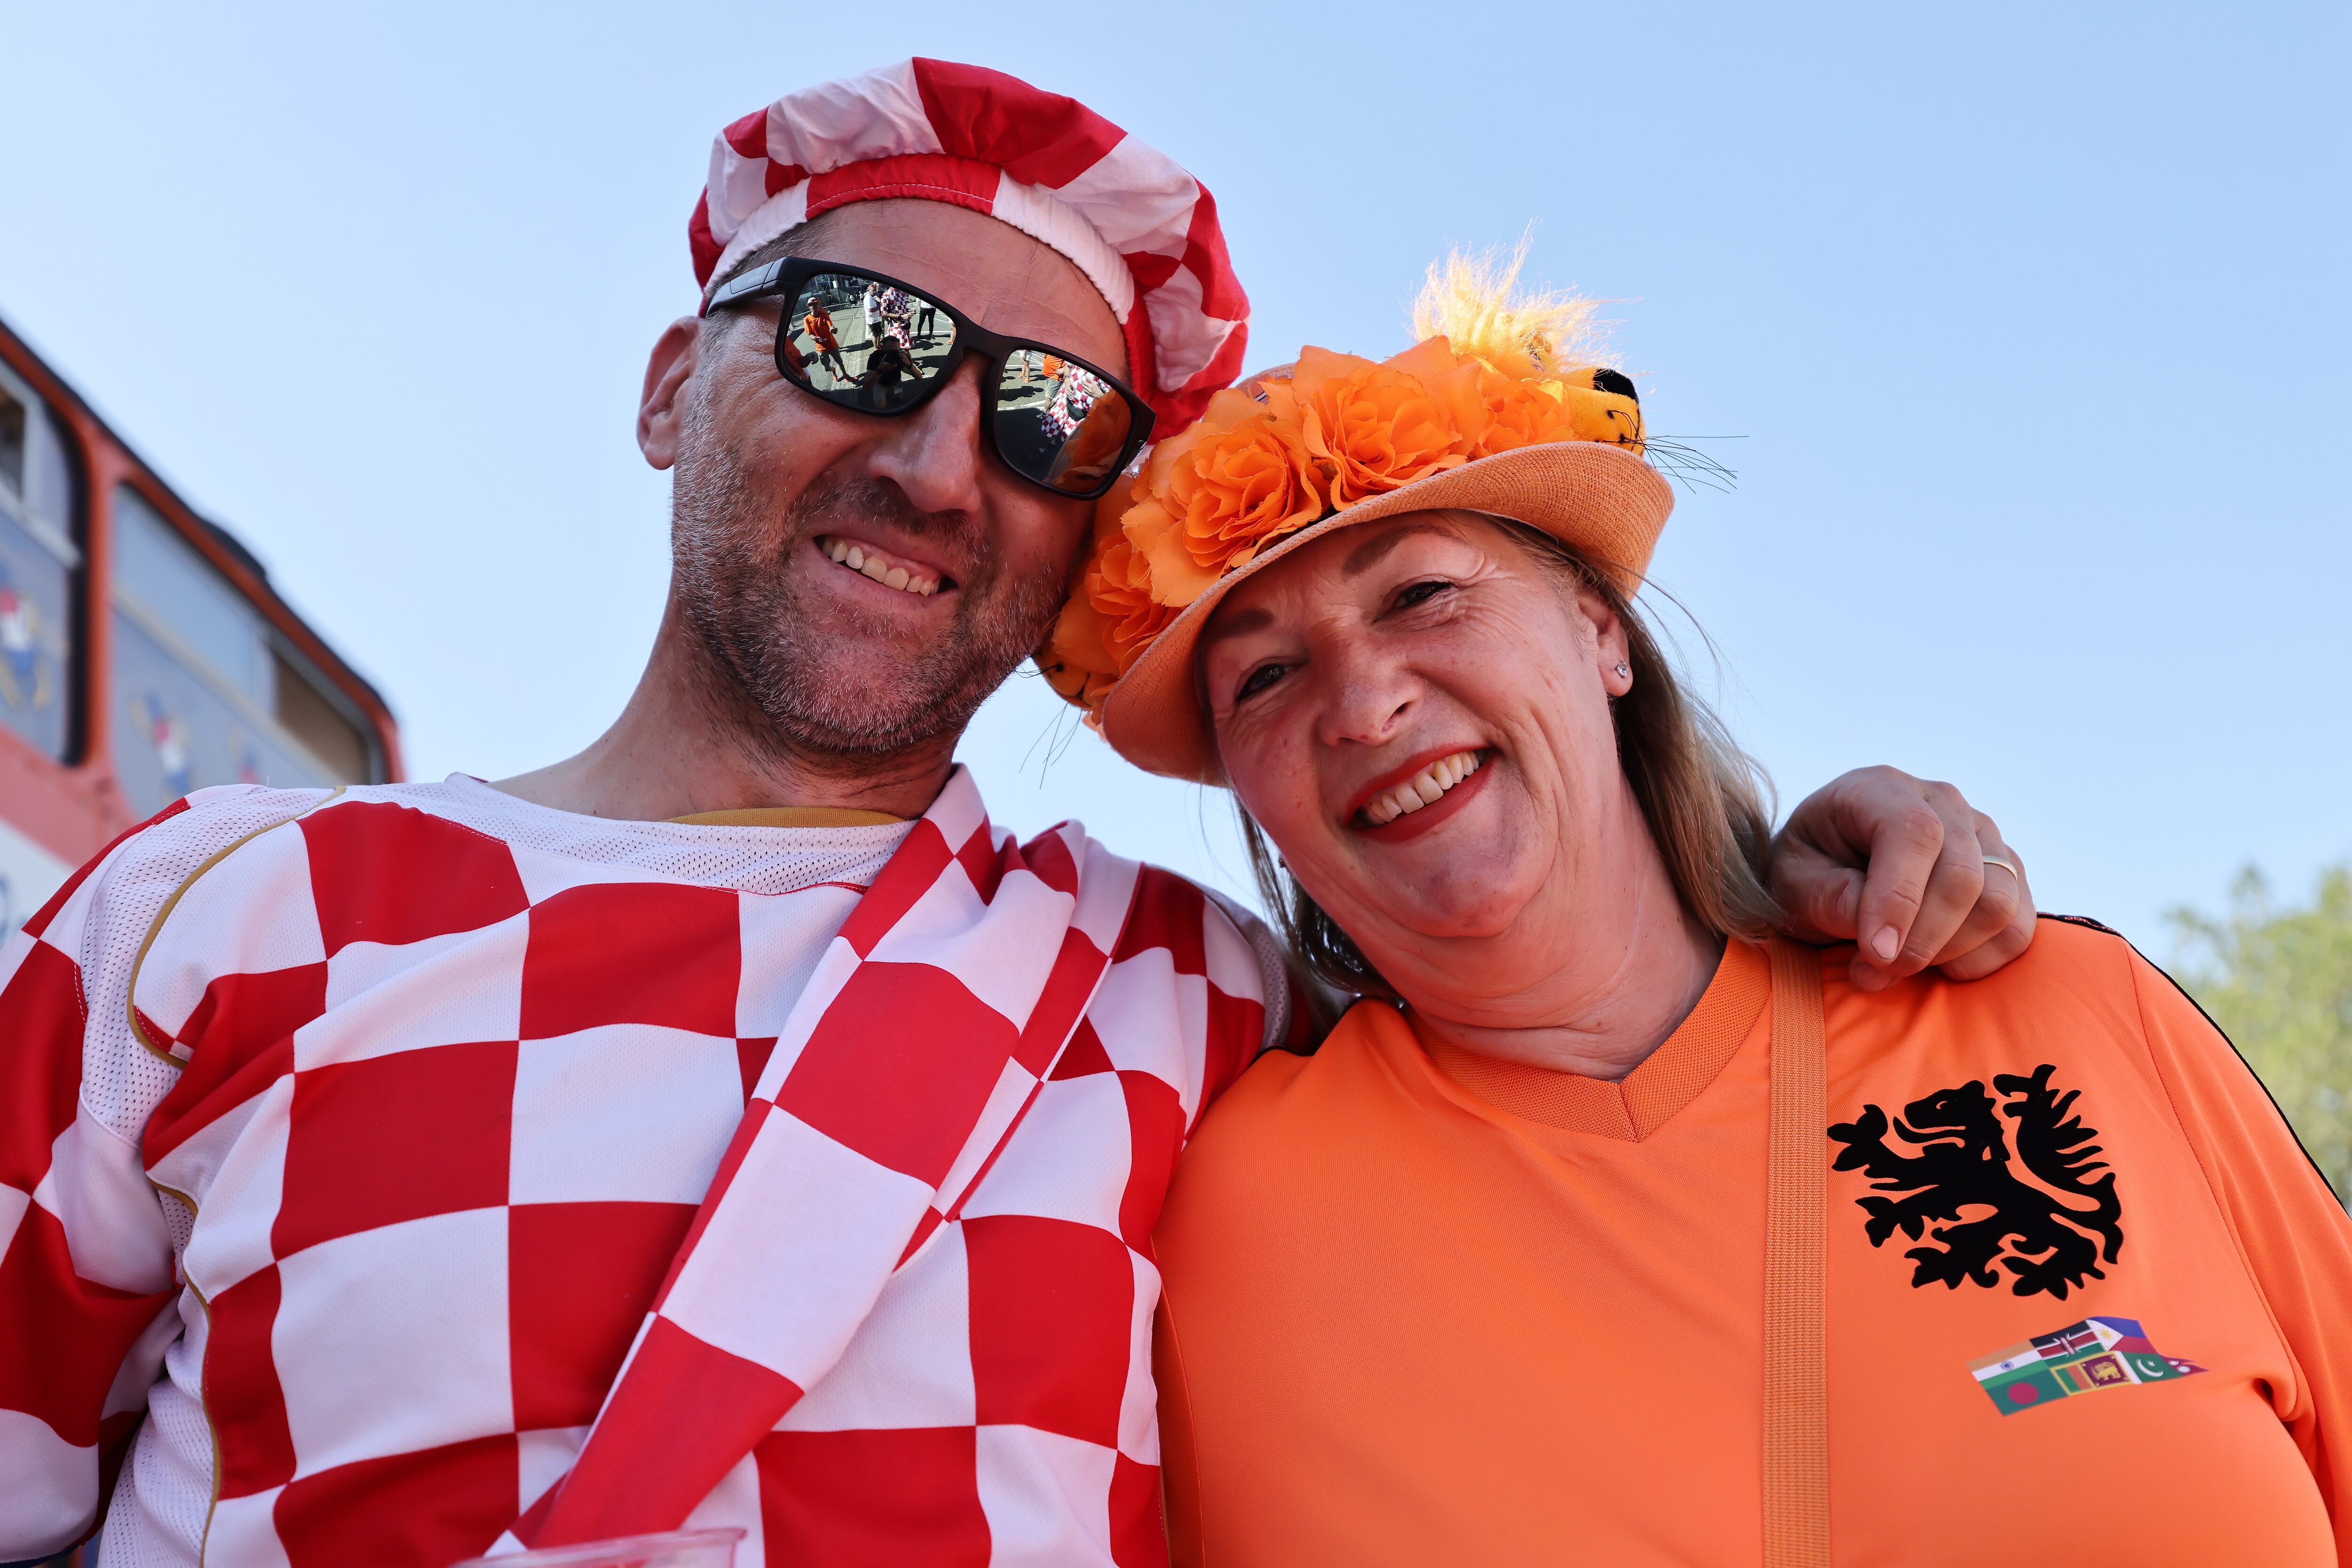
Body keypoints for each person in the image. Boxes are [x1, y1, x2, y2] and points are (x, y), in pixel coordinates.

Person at [0, 62, 2031, 1568]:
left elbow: (1609, 1058)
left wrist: (1791, 872)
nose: (941, 457)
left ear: (1081, 542)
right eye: (860, 343)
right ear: (661, 390)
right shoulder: (210, 914)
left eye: (1051, 420)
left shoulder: (1212, 1001)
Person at [1039, 260, 2352, 1565]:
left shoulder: (2063, 1007)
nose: (1363, 702)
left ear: (1604, 634)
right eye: (1265, 673)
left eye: (1422, 592)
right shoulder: (1196, 1209)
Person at [801, 295, 848, 379]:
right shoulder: (807, 319)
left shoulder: (823, 313)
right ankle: (833, 370)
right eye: (813, 304)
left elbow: (830, 324)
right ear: (809, 307)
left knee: (840, 362)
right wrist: (816, 338)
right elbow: (810, 335)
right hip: (821, 348)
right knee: (826, 368)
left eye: (817, 303)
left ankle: (846, 376)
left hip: (832, 344)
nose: (816, 306)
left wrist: (833, 329)